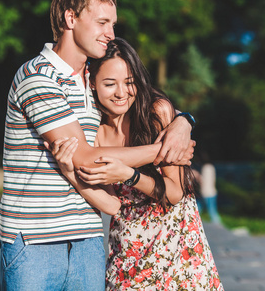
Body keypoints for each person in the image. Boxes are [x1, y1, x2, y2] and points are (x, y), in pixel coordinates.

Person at [0, 0, 196, 290]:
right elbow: (86, 158)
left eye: (113, 24)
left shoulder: (95, 79)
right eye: (102, 22)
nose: (111, 34)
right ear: (70, 18)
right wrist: (163, 150)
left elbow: (143, 101)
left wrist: (184, 121)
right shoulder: (38, 77)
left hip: (88, 242)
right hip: (35, 243)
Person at [47, 38, 223, 290]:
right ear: (92, 83)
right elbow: (112, 205)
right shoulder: (95, 133)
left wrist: (130, 175)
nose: (121, 93)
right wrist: (69, 172)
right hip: (129, 256)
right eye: (109, 84)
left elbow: (174, 193)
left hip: (178, 254)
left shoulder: (156, 112)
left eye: (129, 82)